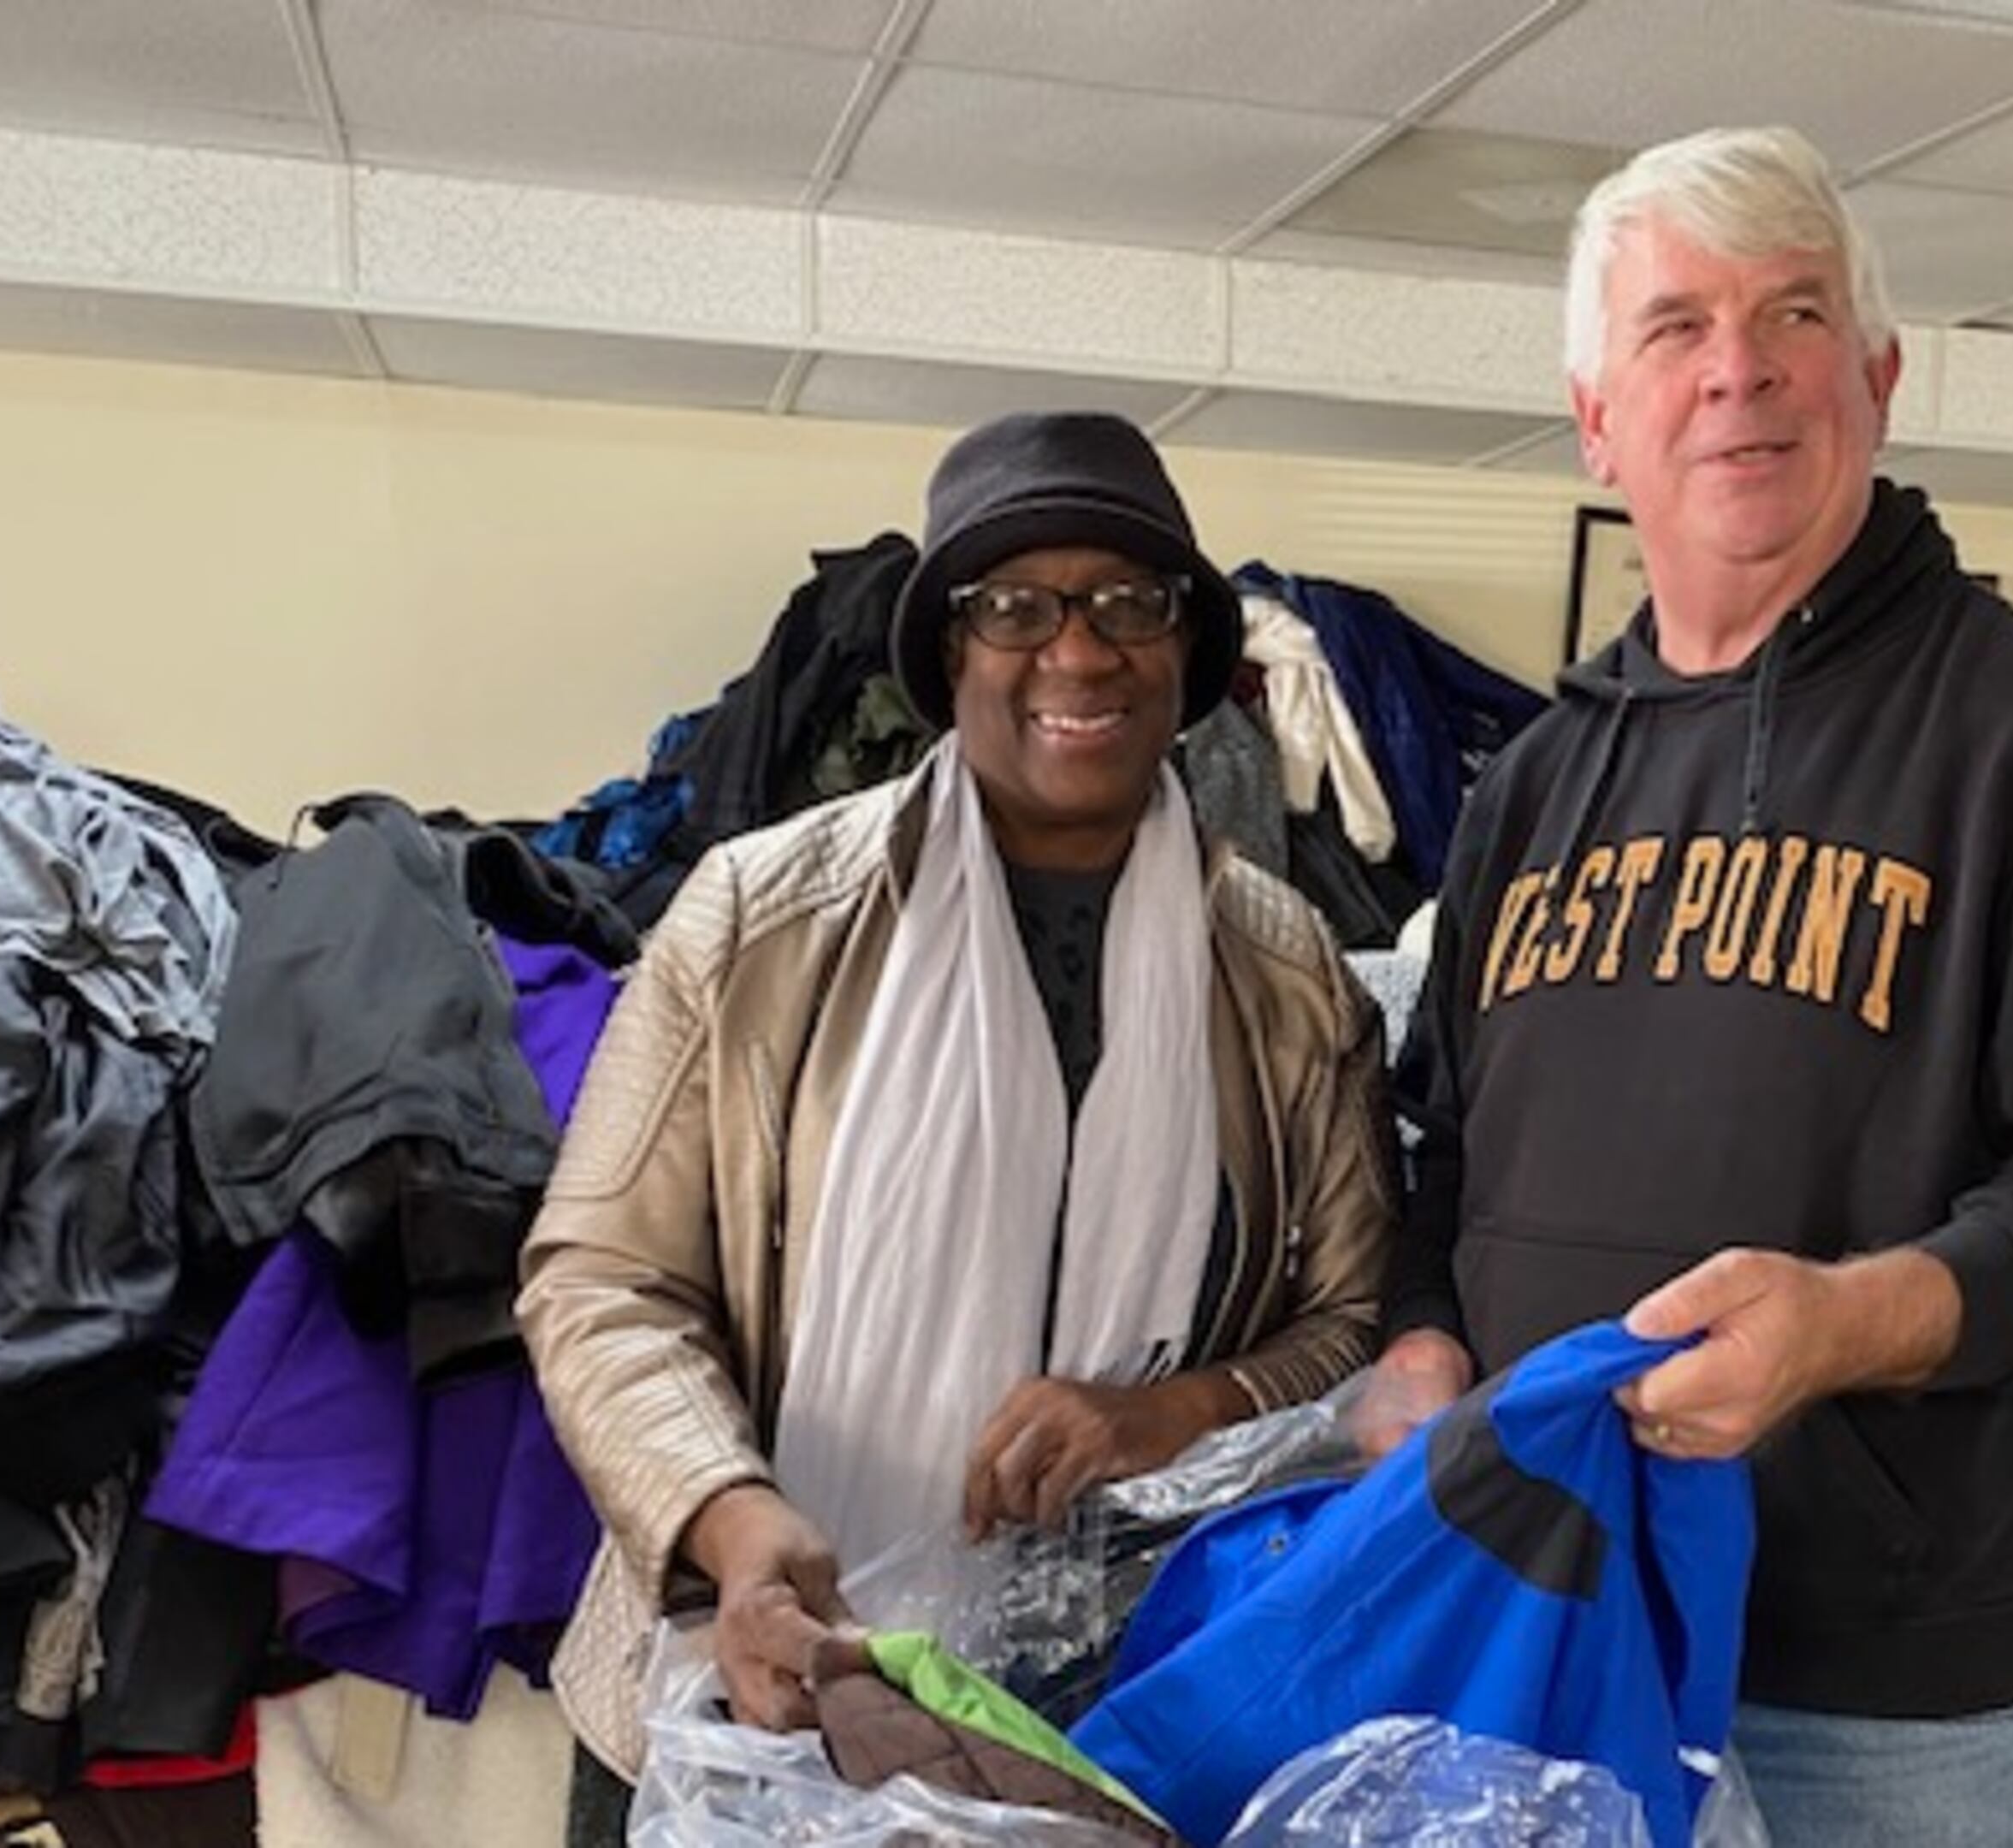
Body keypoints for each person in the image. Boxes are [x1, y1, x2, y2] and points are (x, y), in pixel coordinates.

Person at [1361, 127, 2013, 1847]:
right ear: (1597, 415)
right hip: (1553, 1622)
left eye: (1794, 315)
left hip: (1883, 1706)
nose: (1740, 372)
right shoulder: (1536, 783)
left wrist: (1848, 1325)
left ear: (1879, 375)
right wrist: (1419, 1338)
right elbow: (1445, 1151)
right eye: (1676, 326)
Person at [520, 411, 1396, 1833]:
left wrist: (1165, 1412)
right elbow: (602, 1278)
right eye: (1015, 608)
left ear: (1186, 653)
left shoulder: (1288, 973)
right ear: (949, 655)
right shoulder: (759, 919)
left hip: (1084, 1722)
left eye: (1129, 602)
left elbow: (1350, 1324)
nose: (1079, 649)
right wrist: (734, 1525)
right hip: (748, 1683)